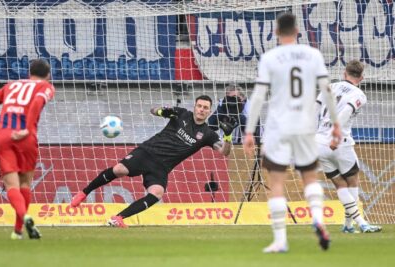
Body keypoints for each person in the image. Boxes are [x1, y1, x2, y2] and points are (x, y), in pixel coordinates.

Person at [243, 13, 341, 253]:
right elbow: (326, 89)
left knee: (276, 182)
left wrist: (248, 131)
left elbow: (258, 96)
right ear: (298, 31)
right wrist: (335, 122)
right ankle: (317, 217)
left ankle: (280, 240)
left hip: (279, 127)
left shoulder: (270, 57)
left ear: (276, 32)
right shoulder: (313, 55)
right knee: (309, 176)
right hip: (306, 125)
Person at [71, 95, 235, 227]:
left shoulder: (208, 134)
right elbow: (153, 110)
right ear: (195, 106)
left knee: (157, 193)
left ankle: (118, 218)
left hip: (163, 167)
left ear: (209, 111)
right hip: (147, 152)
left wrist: (228, 136)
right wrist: (162, 111)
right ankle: (84, 192)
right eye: (199, 106)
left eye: (205, 108)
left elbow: (224, 152)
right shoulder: (181, 113)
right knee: (119, 170)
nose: (201, 110)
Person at [316, 60, 382, 233]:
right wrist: (335, 134)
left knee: (340, 184)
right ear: (361, 77)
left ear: (345, 73)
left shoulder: (329, 86)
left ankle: (348, 225)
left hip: (319, 141)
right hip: (339, 142)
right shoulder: (359, 94)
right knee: (352, 180)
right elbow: (346, 111)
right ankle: (361, 223)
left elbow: (314, 109)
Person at [0, 59, 55, 239]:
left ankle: (19, 229)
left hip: (2, 136)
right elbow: (37, 102)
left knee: (11, 185)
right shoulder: (46, 86)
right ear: (48, 74)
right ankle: (19, 228)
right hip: (26, 138)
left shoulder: (11, 85)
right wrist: (27, 129)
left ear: (29, 72)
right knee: (25, 184)